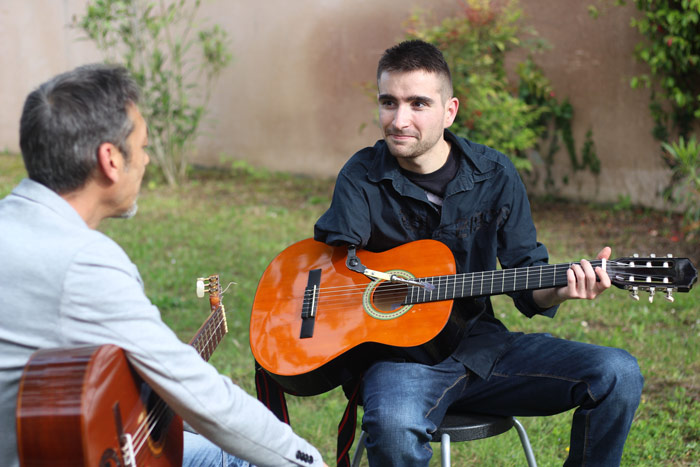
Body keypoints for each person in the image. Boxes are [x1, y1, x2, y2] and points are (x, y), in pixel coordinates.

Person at [314, 40, 643, 466]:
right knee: (394, 428)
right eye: (388, 102)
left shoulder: (495, 173)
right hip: (400, 361)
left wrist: (561, 290)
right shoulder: (362, 175)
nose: (399, 120)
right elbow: (330, 264)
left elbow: (528, 280)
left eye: (418, 104)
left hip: (484, 350)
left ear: (449, 110)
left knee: (618, 373)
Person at [0, 64, 326, 467]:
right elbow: (199, 394)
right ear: (110, 159)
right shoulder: (83, 263)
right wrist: (307, 460)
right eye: (141, 146)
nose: (148, 159)